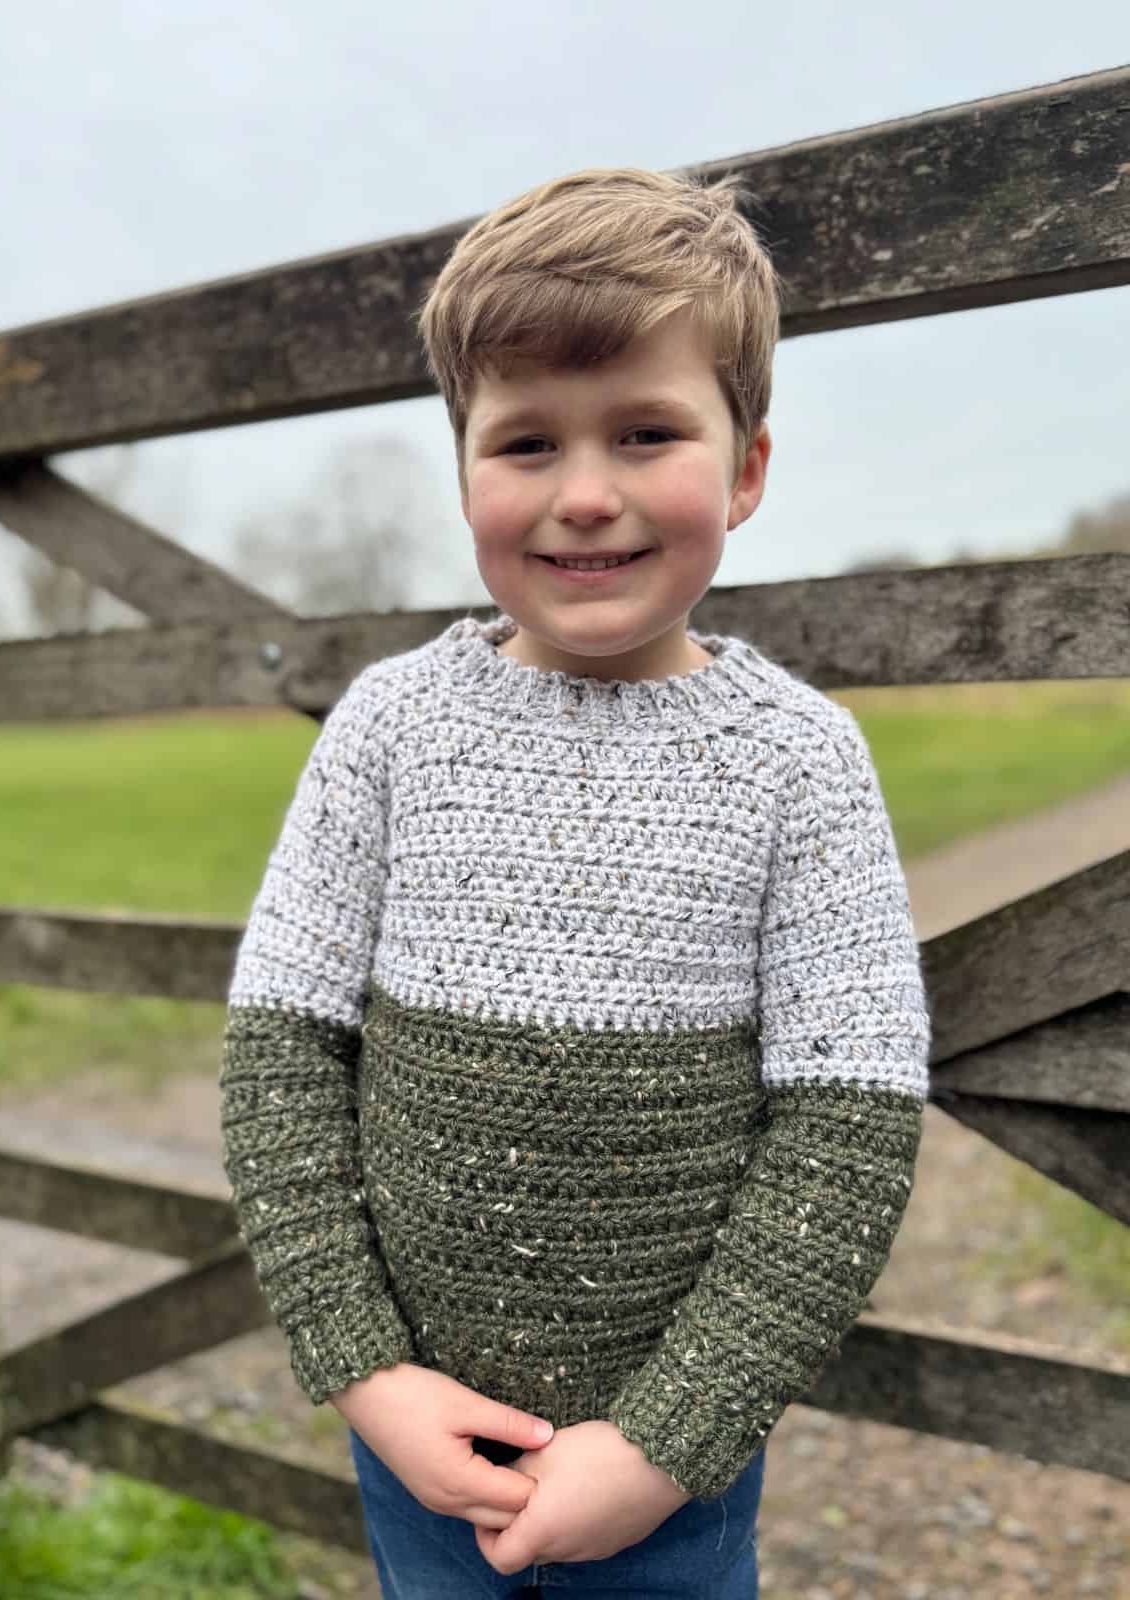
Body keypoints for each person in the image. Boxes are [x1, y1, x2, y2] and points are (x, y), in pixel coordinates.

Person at [218, 167, 931, 1599]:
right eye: (527, 441)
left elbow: (847, 1131)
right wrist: (365, 1373)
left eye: (647, 432)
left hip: (671, 1465)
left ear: (745, 469)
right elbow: (280, 1057)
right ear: (465, 468)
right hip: (420, 1441)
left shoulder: (801, 762)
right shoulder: (389, 733)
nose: (586, 495)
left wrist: (668, 1441)